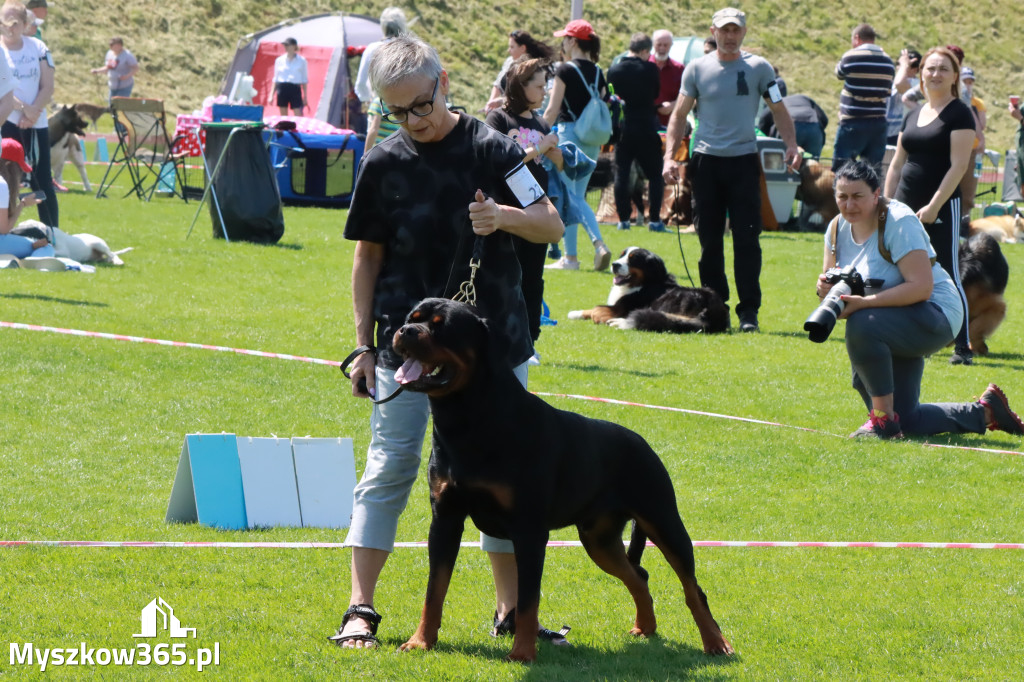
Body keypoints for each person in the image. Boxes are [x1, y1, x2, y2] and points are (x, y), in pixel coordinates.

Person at [333, 36, 565, 650]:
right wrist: (362, 345)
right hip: (404, 348)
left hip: (491, 349)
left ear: (443, 81)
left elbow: (550, 223)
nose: (415, 120)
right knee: (390, 466)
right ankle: (361, 609)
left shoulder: (494, 147)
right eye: (397, 111)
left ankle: (513, 611)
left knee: (506, 470)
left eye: (420, 104)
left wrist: (504, 219)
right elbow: (367, 257)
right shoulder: (382, 162)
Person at [817, 161, 1023, 440]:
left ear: (876, 194)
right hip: (891, 318)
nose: (849, 205)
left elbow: (921, 288)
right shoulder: (835, 229)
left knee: (863, 325)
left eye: (857, 196)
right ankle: (986, 412)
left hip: (936, 313)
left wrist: (863, 303)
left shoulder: (898, 220)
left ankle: (882, 422)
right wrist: (825, 290)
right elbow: (834, 285)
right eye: (842, 197)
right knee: (908, 419)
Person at [662, 7, 800, 333]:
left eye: (735, 30)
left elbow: (779, 109)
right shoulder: (696, 69)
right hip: (706, 162)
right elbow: (679, 116)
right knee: (709, 240)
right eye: (724, 30)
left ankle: (748, 311)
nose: (729, 36)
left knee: (747, 240)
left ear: (744, 32)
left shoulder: (759, 68)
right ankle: (714, 306)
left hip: (743, 162)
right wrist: (669, 157)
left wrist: (791, 145)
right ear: (713, 31)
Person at [884, 46, 974, 365]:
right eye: (930, 68)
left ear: (954, 77)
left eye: (943, 69)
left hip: (941, 205)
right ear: (921, 73)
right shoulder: (912, 113)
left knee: (947, 270)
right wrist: (888, 203)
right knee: (901, 269)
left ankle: (962, 346)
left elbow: (959, 166)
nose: (935, 74)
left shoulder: (961, 113)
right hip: (905, 205)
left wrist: (935, 205)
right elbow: (896, 164)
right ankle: (906, 336)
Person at [485, 58, 562, 360]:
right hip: (506, 211)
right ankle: (498, 335)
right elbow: (503, 160)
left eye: (546, 86)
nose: (545, 92)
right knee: (503, 275)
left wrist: (558, 153)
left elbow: (558, 164)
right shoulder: (498, 119)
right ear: (520, 85)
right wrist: (541, 148)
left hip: (537, 213)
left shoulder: (541, 123)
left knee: (532, 278)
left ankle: (529, 342)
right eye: (539, 86)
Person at [543, 19, 612, 271]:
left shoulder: (565, 70)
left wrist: (538, 132)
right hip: (592, 138)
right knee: (577, 195)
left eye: (565, 38)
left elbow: (552, 109)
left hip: (569, 134)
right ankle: (572, 256)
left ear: (572, 41)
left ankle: (586, 250)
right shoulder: (597, 70)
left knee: (570, 197)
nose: (562, 42)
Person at [1, 1, 56, 228]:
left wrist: (33, 112)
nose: (9, 27)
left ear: (25, 24)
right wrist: (24, 109)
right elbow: (4, 92)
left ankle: (52, 232)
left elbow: (48, 86)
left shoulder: (38, 48)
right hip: (7, 122)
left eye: (15, 22)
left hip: (37, 123)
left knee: (42, 180)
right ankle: (5, 229)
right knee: (7, 181)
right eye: (4, 21)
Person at [607, 33, 665, 232]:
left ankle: (623, 220)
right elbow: (656, 93)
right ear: (645, 51)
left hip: (623, 128)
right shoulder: (650, 68)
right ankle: (655, 220)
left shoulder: (614, 69)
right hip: (647, 125)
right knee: (656, 175)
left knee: (621, 174)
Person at [831, 24, 895, 173]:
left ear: (857, 38)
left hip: (853, 121)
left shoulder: (851, 56)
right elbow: (887, 92)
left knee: (841, 170)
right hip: (878, 123)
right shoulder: (888, 62)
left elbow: (839, 73)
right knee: (872, 173)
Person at [0, 137, 51, 257]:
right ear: (9, 164)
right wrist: (22, 204)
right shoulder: (2, 185)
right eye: (18, 169)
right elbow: (3, 229)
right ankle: (33, 261)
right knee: (46, 247)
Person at [483, 30, 554, 113]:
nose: (508, 50)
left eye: (512, 47)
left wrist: (501, 101)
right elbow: (498, 84)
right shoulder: (509, 61)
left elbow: (524, 97)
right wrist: (491, 102)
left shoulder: (532, 68)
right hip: (508, 106)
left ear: (523, 48)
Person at [353, 7, 409, 106]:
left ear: (383, 25)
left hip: (379, 107)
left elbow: (361, 83)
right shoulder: (409, 49)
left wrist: (368, 100)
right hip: (406, 108)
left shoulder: (372, 49)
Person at [957, 66, 987, 224]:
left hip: (973, 151)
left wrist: (969, 104)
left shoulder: (978, 103)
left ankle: (965, 222)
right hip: (956, 148)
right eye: (964, 81)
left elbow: (981, 125)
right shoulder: (954, 102)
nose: (967, 84)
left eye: (970, 81)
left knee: (969, 191)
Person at [757, 94, 829, 158]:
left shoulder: (777, 103)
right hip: (814, 130)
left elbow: (762, 122)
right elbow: (824, 119)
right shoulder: (804, 97)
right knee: (813, 168)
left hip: (791, 128)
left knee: (787, 166)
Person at [884, 48, 921, 146]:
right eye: (898, 63)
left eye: (905, 64)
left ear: (915, 69)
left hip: (902, 133)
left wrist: (904, 65)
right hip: (886, 132)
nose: (898, 67)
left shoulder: (915, 83)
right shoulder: (893, 81)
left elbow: (900, 84)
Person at [650, 29, 684, 128]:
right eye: (659, 44)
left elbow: (688, 95)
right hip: (644, 124)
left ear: (671, 45)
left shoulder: (679, 69)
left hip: (670, 125)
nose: (662, 48)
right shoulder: (644, 65)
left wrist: (673, 105)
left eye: (666, 45)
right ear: (653, 44)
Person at [90, 37, 138, 102]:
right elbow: (108, 67)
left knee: (120, 106)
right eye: (110, 45)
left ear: (120, 46)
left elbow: (135, 68)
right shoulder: (109, 53)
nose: (111, 47)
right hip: (112, 85)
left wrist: (127, 76)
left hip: (124, 86)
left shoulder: (127, 55)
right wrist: (97, 71)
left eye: (113, 45)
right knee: (111, 107)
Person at [271, 38, 307, 116]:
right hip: (282, 87)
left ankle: (299, 128)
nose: (286, 47)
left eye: (288, 45)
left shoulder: (302, 61)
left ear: (294, 46)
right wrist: (271, 95)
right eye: (285, 45)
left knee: (298, 112)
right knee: (283, 114)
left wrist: (305, 97)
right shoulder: (279, 60)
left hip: (295, 88)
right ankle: (285, 127)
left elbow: (304, 80)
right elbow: (276, 79)